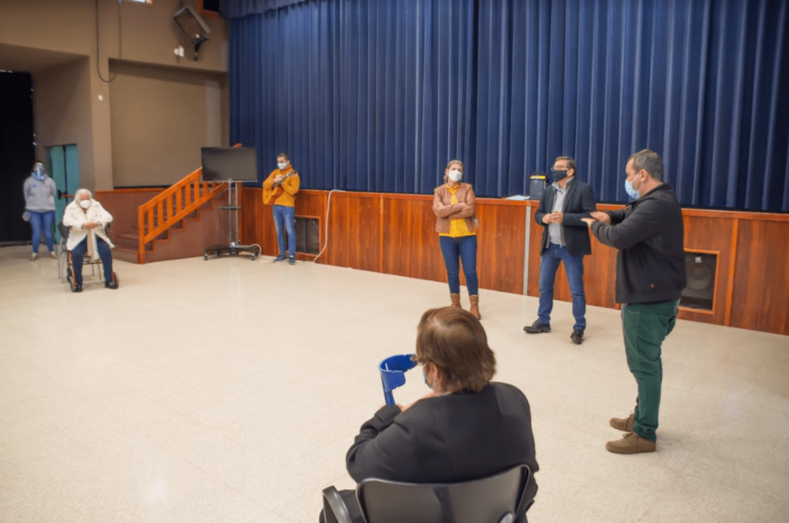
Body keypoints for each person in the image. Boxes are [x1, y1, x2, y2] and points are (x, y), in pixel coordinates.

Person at [321, 307, 538, 523]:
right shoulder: (514, 399)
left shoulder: (416, 427)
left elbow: (358, 463)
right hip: (501, 516)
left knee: (333, 508)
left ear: (434, 370)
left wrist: (386, 415)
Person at [581, 149, 686, 454]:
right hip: (658, 294)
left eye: (629, 175)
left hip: (648, 299)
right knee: (647, 362)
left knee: (644, 366)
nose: (627, 180)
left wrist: (594, 225)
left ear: (643, 174)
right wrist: (609, 215)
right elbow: (629, 213)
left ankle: (644, 433)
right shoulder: (657, 200)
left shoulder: (656, 205)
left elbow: (619, 237)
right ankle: (642, 417)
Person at [524, 156, 596, 344]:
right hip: (550, 245)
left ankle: (579, 327)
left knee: (576, 290)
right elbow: (538, 213)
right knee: (544, 286)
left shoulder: (583, 189)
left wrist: (565, 218)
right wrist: (543, 218)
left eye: (559, 167)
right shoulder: (548, 191)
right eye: (554, 167)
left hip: (570, 247)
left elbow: (589, 216)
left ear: (570, 171)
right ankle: (543, 321)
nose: (555, 170)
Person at [433, 160, 481, 319]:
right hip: (446, 237)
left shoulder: (468, 188)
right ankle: (455, 305)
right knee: (452, 272)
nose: (457, 172)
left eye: (460, 170)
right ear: (447, 171)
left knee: (470, 271)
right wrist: (460, 205)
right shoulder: (439, 191)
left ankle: (474, 306)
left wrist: (448, 212)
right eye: (454, 169)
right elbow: (438, 212)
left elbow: (470, 210)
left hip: (467, 236)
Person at [62, 189, 117, 292]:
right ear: (78, 200)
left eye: (88, 198)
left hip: (96, 236)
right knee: (76, 255)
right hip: (80, 238)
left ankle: (109, 280)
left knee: (106, 251)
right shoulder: (71, 207)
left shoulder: (96, 205)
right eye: (83, 199)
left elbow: (108, 216)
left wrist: (98, 222)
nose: (86, 201)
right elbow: (66, 221)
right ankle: (78, 282)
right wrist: (82, 225)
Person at [262, 153, 300, 265]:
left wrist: (283, 183)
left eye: (282, 161)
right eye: (279, 161)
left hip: (288, 207)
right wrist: (274, 181)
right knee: (279, 231)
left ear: (288, 162)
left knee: (290, 231)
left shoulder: (294, 175)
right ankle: (282, 254)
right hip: (276, 206)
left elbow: (294, 191)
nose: (280, 164)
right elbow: (265, 185)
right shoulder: (275, 172)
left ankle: (291, 255)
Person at [23, 161, 58, 261]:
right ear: (34, 168)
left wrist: (47, 203)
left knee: (48, 232)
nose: (39, 168)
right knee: (36, 232)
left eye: (41, 166)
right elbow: (26, 195)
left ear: (44, 168)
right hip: (34, 211)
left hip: (48, 210)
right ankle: (34, 253)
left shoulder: (50, 181)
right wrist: (32, 205)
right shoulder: (29, 181)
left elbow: (53, 193)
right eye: (37, 166)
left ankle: (52, 251)